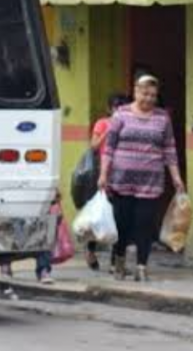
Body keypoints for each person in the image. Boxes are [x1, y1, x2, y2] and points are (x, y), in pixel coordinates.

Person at [98, 74, 185, 282]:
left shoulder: (162, 118)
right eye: (145, 93)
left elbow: (169, 149)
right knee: (122, 223)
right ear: (136, 91)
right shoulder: (121, 115)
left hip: (151, 182)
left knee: (144, 224)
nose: (149, 99)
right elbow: (109, 147)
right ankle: (119, 261)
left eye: (153, 95)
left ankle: (141, 267)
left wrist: (176, 177)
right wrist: (103, 174)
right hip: (121, 180)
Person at [85, 93, 129, 271]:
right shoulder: (102, 123)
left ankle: (114, 261)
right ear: (109, 108)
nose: (119, 110)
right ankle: (90, 250)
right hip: (103, 176)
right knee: (100, 218)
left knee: (118, 219)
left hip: (122, 176)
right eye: (116, 107)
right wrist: (107, 132)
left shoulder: (128, 124)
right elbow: (94, 145)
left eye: (123, 107)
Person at [0, 190, 61, 285]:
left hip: (37, 206)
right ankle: (5, 265)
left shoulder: (40, 175)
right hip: (15, 205)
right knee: (10, 230)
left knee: (44, 233)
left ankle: (43, 270)